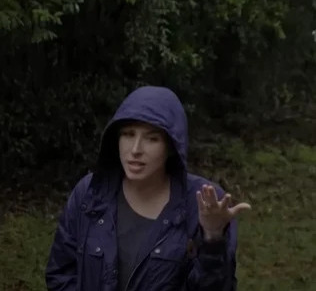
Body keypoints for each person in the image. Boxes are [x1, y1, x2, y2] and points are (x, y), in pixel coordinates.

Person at [45, 86, 251, 290]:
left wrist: (213, 238)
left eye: (152, 138)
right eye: (128, 134)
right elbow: (61, 274)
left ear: (171, 146)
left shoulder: (203, 203)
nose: (135, 150)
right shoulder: (89, 192)